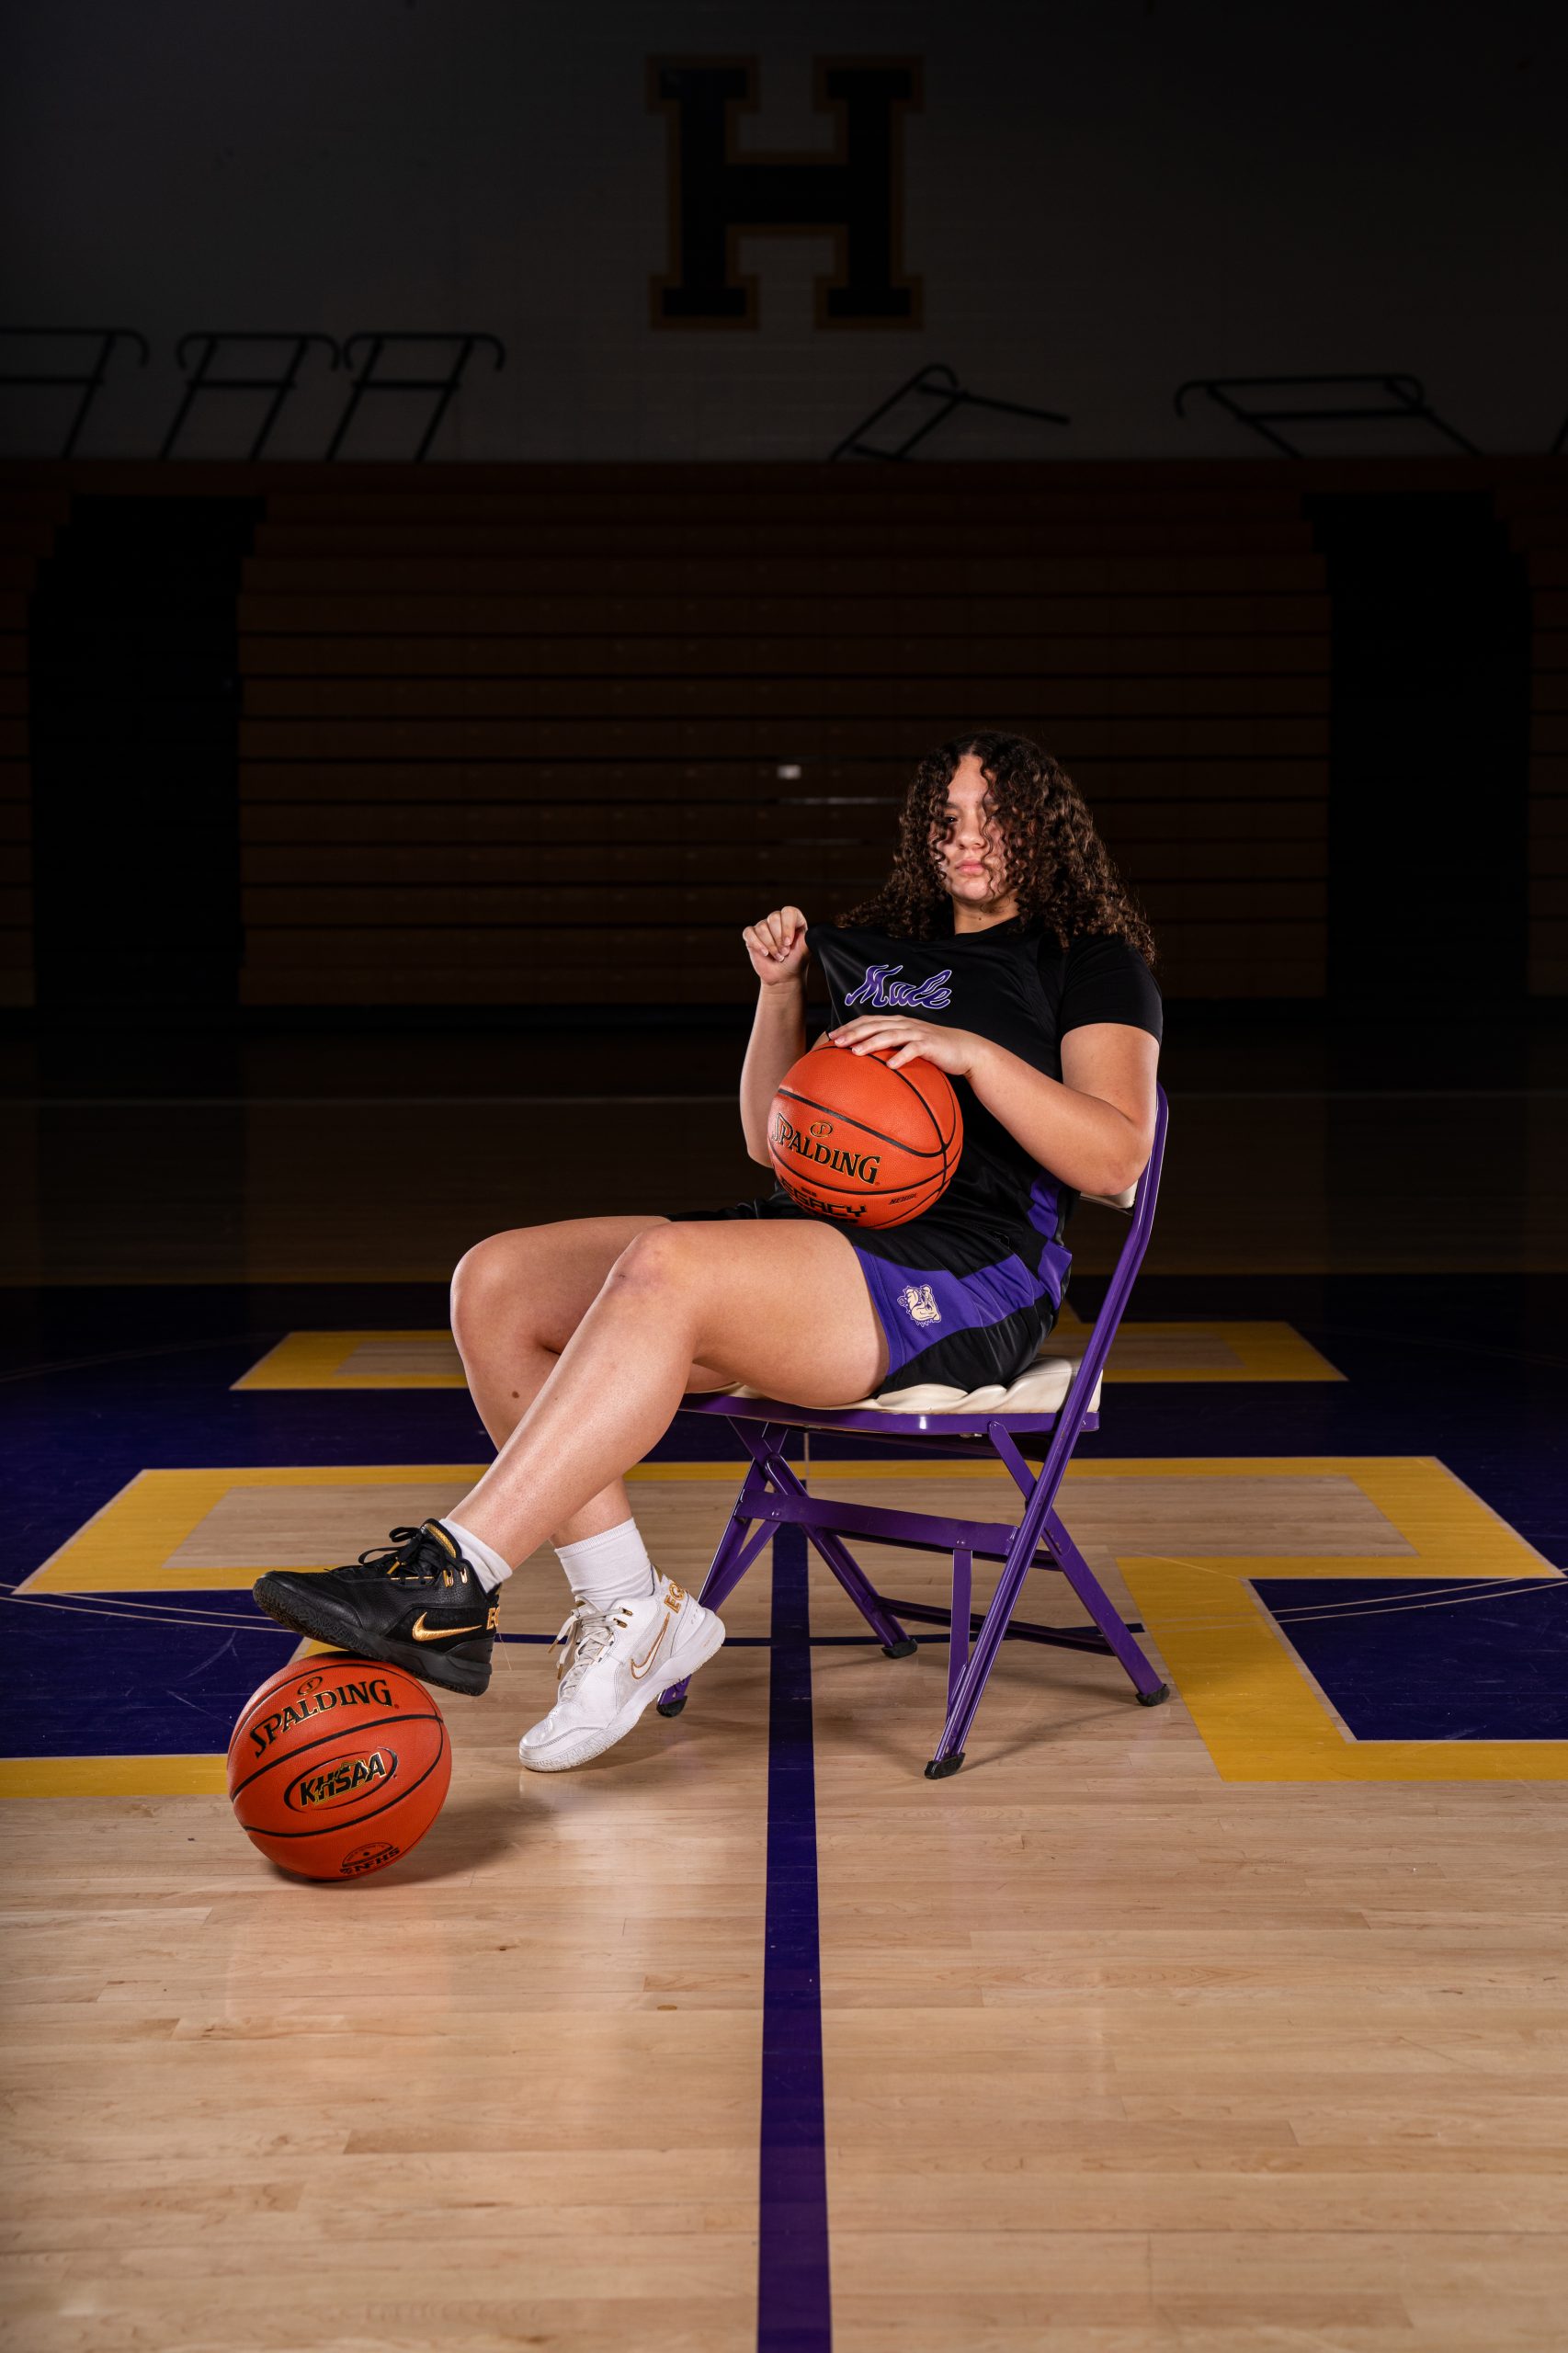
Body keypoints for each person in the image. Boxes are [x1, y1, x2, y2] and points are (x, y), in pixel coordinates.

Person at [251, 731, 1163, 1772]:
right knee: (496, 1282)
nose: (968, 838)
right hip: (817, 1237)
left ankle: (452, 1574)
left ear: (1045, 827)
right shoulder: (881, 951)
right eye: (946, 817)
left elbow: (1116, 1156)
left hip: (969, 1268)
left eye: (994, 817)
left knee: (666, 1265)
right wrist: (779, 992)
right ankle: (628, 1607)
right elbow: (772, 1139)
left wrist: (972, 1055)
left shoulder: (1089, 960)